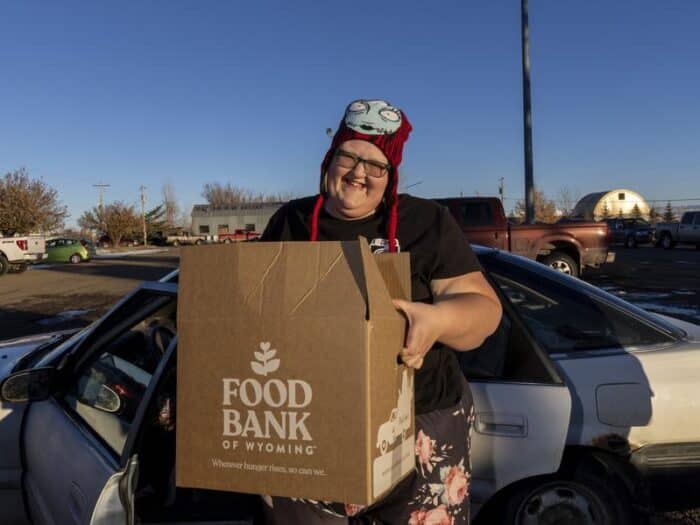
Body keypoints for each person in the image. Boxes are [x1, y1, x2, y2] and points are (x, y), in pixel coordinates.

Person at [259, 99, 502, 524]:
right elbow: (254, 317)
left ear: (391, 177)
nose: (358, 173)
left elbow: (484, 310)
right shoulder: (291, 222)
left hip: (419, 422)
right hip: (309, 420)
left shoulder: (426, 223)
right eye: (349, 156)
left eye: (376, 165)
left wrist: (437, 320)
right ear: (329, 159)